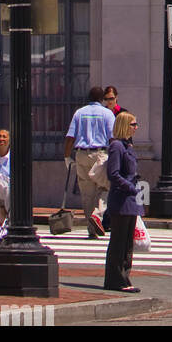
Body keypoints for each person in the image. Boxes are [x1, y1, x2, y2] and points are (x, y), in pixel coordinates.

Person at [63, 86, 115, 237]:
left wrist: (67, 156)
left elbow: (70, 137)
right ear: (102, 99)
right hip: (100, 154)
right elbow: (112, 137)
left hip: (81, 154)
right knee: (105, 187)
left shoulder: (79, 113)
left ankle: (91, 229)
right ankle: (97, 215)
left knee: (86, 193)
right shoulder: (107, 114)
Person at [103, 111, 144, 292]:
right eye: (133, 124)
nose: (136, 128)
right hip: (121, 200)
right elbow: (113, 174)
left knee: (128, 242)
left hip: (132, 199)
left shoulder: (128, 146)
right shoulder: (116, 146)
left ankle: (125, 277)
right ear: (125, 126)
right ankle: (115, 280)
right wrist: (130, 187)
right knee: (118, 242)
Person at [0, 129, 10, 227]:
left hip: (8, 192)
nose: (1, 139)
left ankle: (10, 218)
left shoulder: (14, 158)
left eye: (4, 136)